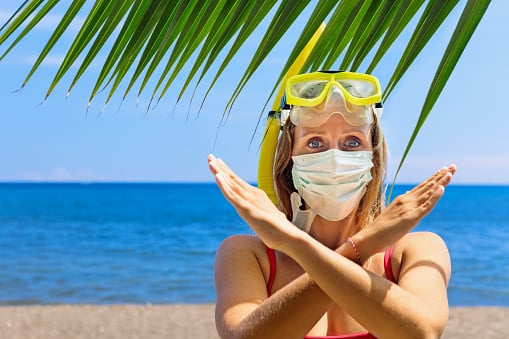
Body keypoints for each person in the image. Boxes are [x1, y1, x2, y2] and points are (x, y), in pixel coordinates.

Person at [208, 70, 456, 339]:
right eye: (315, 142)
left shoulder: (414, 250)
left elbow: (421, 334)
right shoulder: (248, 255)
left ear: (373, 155)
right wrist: (365, 245)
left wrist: (292, 241)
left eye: (352, 142)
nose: (335, 158)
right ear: (289, 159)